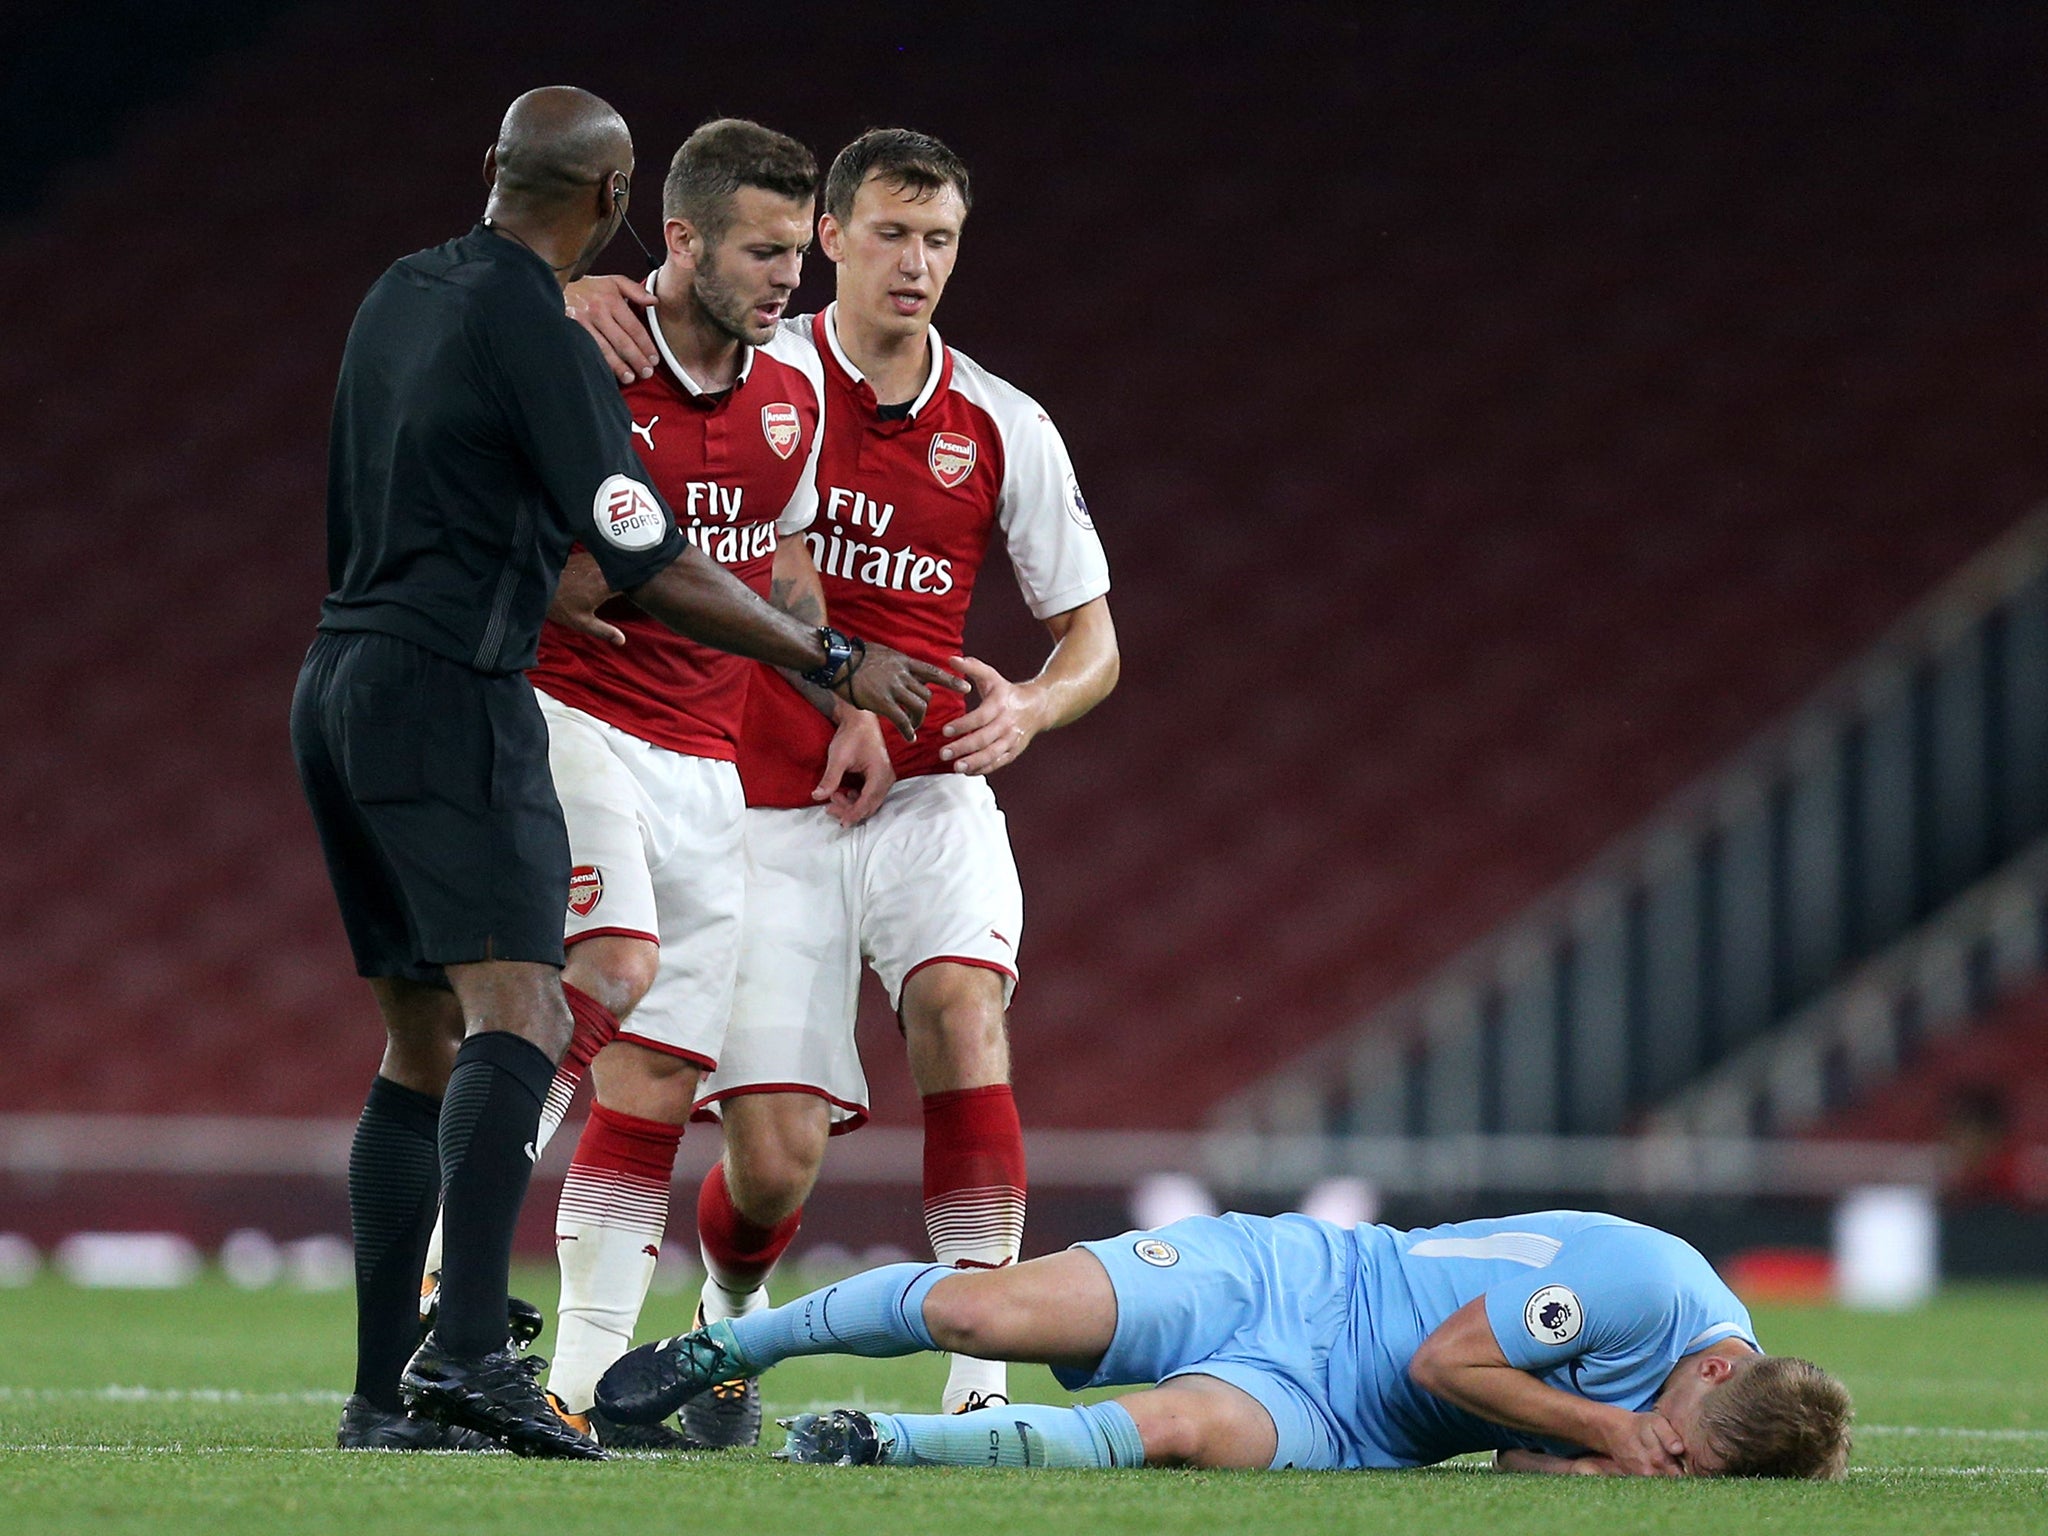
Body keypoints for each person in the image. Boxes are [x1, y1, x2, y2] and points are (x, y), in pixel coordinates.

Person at [291, 87, 954, 1458]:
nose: (787, 279)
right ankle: (466, 1348)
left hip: (347, 671)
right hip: (476, 689)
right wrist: (833, 666)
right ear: (623, 211)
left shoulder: (397, 291)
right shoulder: (558, 327)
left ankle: (390, 1393)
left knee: (430, 1038)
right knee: (539, 999)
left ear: (491, 169)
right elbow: (641, 554)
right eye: (766, 250)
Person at [564, 127, 1118, 1437]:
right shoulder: (766, 376)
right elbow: (773, 564)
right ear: (830, 238)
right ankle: (722, 1320)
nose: (916, 263)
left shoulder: (1001, 422)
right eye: (890, 234)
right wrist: (834, 694)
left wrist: (1032, 708)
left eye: (939, 240)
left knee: (961, 1012)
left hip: (932, 801)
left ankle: (981, 1381)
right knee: (771, 1164)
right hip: (762, 805)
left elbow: (1095, 638)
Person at [520, 116, 895, 1449]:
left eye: (797, 249)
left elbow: (785, 567)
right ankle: (453, 1271)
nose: (787, 275)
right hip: (569, 713)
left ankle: (577, 1388)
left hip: (709, 760)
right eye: (761, 249)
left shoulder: (791, 396)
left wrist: (835, 689)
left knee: (662, 1081)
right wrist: (554, 295)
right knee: (607, 969)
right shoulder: (582, 346)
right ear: (678, 239)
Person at [594, 1209, 1854, 1479]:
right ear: (1714, 1368)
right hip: (1296, 1280)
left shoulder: (1684, 1425)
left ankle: (874, 1444)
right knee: (981, 1311)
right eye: (1678, 1440)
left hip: (1354, 1430)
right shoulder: (1642, 1284)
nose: (1664, 1458)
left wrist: (1586, 1470)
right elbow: (1449, 1366)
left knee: (1177, 1434)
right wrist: (1606, 1433)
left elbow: (1509, 1458)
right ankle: (728, 1350)